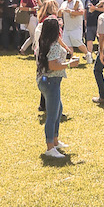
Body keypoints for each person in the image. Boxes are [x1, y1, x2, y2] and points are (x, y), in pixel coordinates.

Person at [35, 17, 78, 159]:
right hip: (51, 82)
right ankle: (50, 147)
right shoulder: (52, 45)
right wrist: (69, 64)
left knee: (58, 110)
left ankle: (55, 141)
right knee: (52, 115)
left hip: (48, 81)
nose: (61, 28)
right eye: (59, 26)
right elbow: (53, 65)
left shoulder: (45, 41)